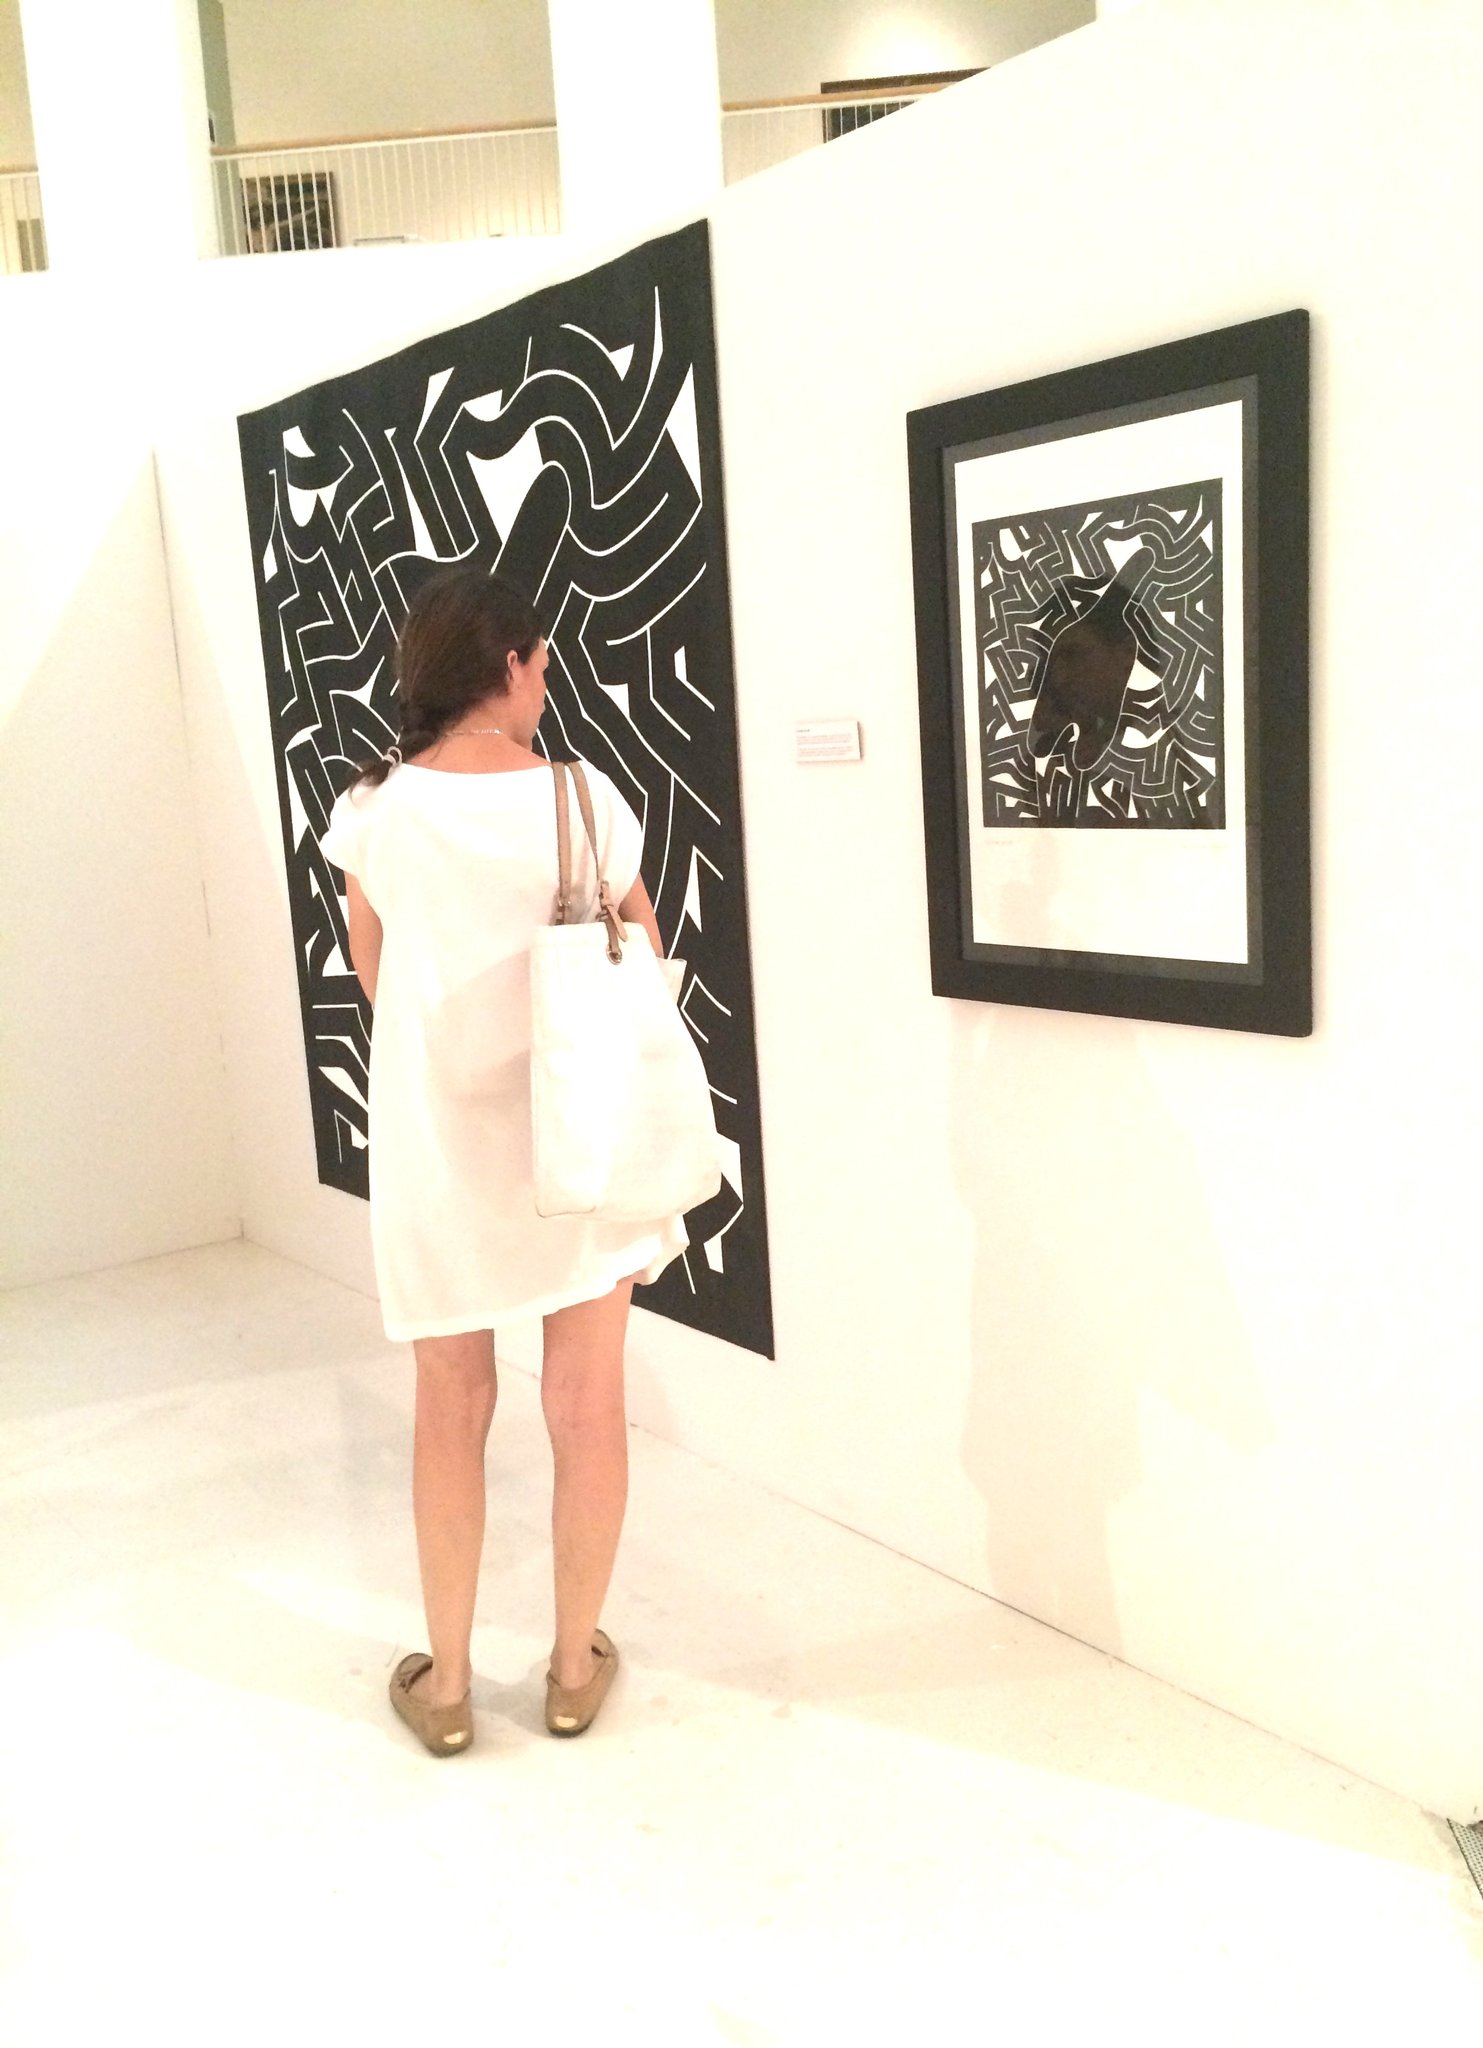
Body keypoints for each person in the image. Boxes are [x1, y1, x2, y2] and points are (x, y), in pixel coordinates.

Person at [319, 566, 686, 1757]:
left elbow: (373, 970)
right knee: (586, 1402)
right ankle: (574, 1670)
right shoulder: (583, 794)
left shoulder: (376, 810)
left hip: (439, 1144)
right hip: (576, 1136)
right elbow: (642, 953)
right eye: (539, 665)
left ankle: (448, 1687)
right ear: (515, 664)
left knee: (449, 1402)